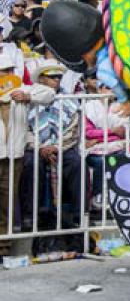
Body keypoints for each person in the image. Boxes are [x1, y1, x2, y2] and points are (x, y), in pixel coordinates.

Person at [0, 55, 55, 255]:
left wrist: (27, 96)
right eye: (2, 70)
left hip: (14, 155)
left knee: (7, 201)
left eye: (8, 70)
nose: (5, 74)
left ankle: (3, 249)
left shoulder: (22, 89)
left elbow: (49, 93)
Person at [20, 60, 81, 237]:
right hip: (35, 147)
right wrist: (40, 148)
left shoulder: (68, 99)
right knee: (30, 164)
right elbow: (25, 129)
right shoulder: (27, 97)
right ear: (41, 79)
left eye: (59, 77)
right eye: (52, 77)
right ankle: (31, 215)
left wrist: (56, 146)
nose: (57, 80)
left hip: (62, 145)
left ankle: (78, 214)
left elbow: (73, 129)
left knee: (76, 163)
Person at [83, 67, 130, 214]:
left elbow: (122, 132)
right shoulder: (88, 106)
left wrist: (101, 137)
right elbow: (88, 132)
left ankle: (119, 199)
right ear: (99, 89)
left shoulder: (121, 107)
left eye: (113, 88)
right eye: (106, 87)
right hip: (93, 149)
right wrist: (111, 132)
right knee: (100, 162)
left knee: (121, 160)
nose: (110, 90)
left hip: (116, 146)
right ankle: (97, 197)